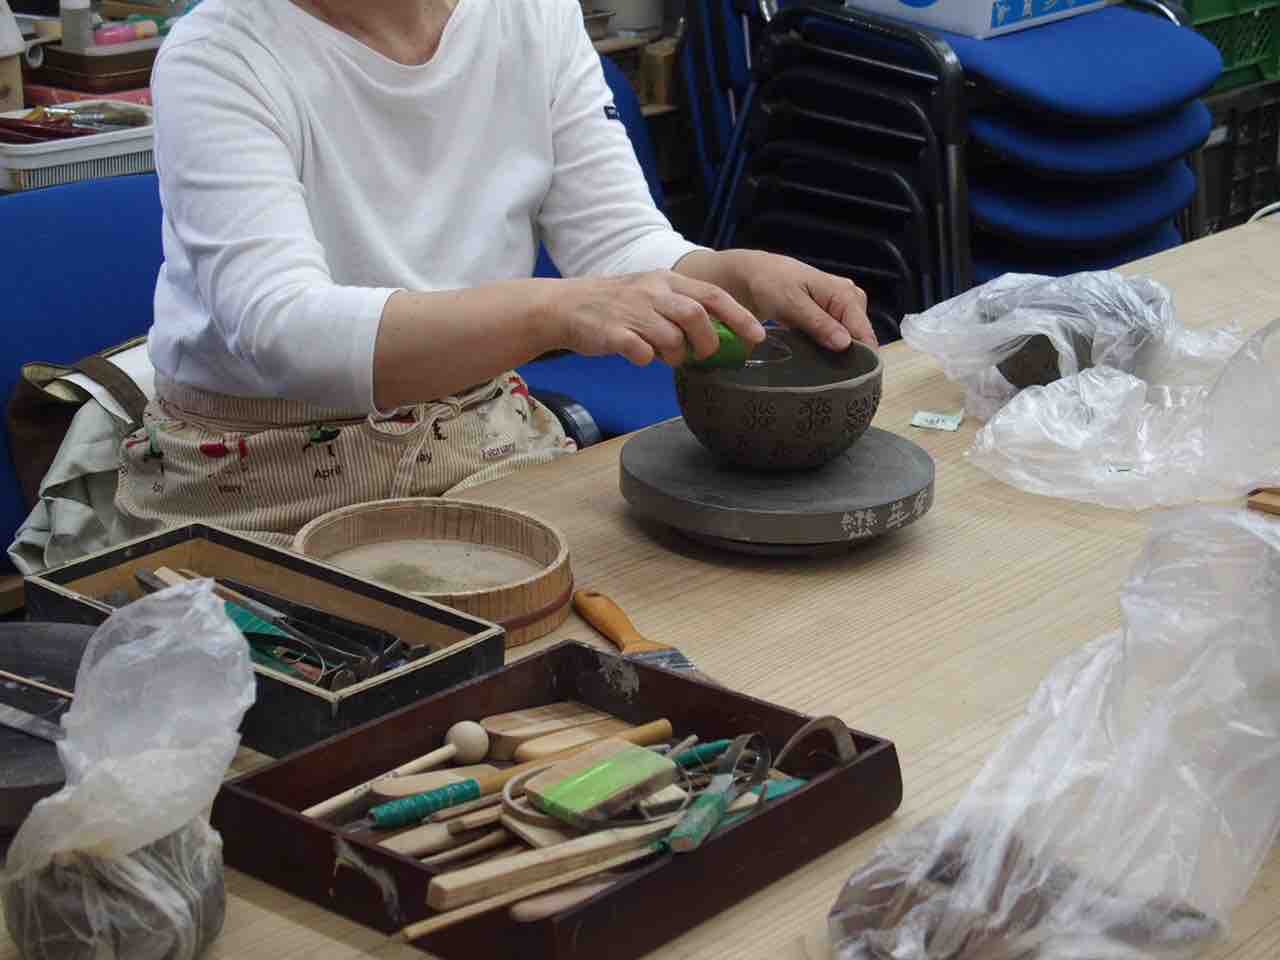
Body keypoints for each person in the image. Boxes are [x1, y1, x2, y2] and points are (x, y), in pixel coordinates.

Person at [115, 0, 876, 548]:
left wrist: (732, 274)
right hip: (256, 475)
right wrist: (553, 312)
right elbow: (283, 331)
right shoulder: (221, 53)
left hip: (479, 434)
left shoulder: (531, 14)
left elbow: (616, 240)